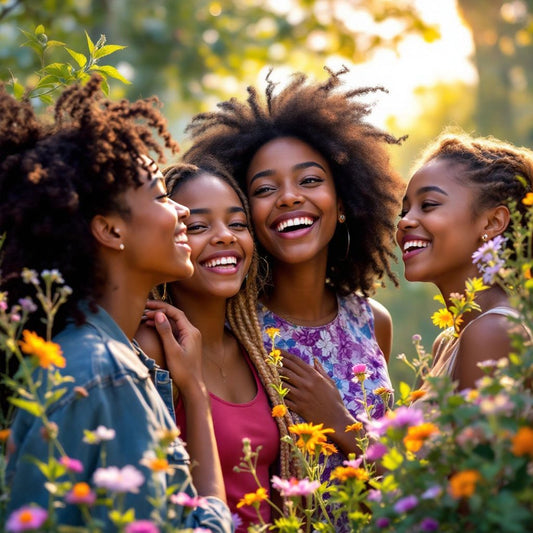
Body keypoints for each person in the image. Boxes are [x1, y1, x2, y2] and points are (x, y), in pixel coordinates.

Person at [0, 76, 232, 531]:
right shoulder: (108, 375)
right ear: (110, 231)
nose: (184, 211)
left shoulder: (78, 353)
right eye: (163, 196)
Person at [182, 66, 405, 472]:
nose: (288, 197)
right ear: (245, 216)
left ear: (342, 204)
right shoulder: (234, 329)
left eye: (310, 180)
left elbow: (402, 479)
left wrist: (339, 423)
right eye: (265, 189)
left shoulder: (373, 322)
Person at [135, 158, 296, 532]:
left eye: (238, 223)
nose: (225, 236)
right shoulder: (155, 345)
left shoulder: (255, 350)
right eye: (198, 226)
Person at [397, 129, 533, 392]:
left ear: (493, 222)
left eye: (428, 204)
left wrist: (338, 417)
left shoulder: (492, 332)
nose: (404, 221)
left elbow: (480, 435)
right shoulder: (446, 342)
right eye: (405, 210)